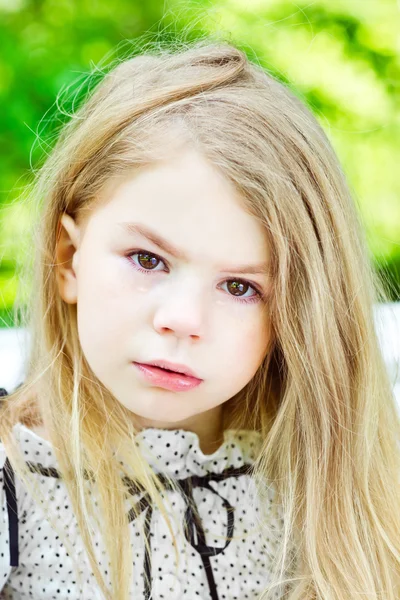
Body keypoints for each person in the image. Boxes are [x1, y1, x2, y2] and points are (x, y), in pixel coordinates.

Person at [0, 35, 399, 600]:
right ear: (69, 259)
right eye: (148, 259)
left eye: (240, 287)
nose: (183, 319)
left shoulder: (329, 493)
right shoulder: (13, 480)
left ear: (297, 314)